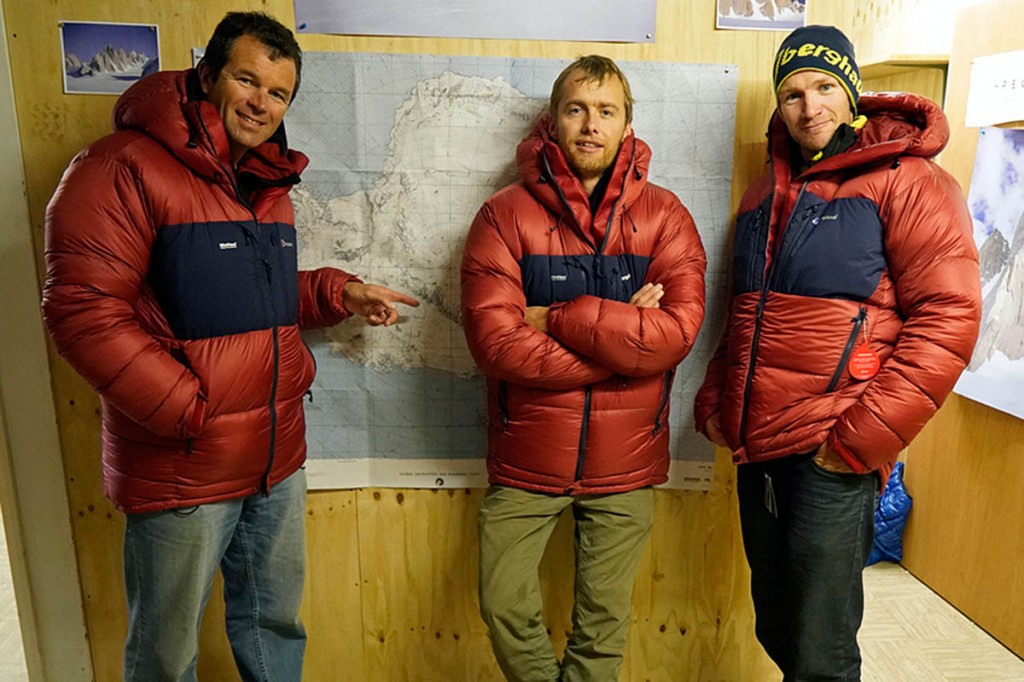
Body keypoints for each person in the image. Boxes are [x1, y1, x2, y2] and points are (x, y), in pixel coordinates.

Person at [42, 11, 418, 681]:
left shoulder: (264, 182)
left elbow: (251, 293)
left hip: (275, 460)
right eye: (246, 79)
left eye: (277, 93)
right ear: (209, 75)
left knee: (274, 631)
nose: (260, 102)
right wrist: (190, 410)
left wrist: (336, 293)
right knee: (165, 654)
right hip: (184, 465)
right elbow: (82, 313)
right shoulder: (119, 167)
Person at [693, 25, 981, 681]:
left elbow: (950, 319)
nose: (808, 105)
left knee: (822, 650)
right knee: (777, 623)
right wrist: (716, 399)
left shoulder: (910, 183)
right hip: (757, 445)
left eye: (824, 86)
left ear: (852, 91)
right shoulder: (765, 192)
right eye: (792, 93)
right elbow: (744, 311)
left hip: (834, 445)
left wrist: (860, 439)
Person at [460, 55, 707, 681]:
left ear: (628, 125)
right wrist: (626, 346)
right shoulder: (503, 216)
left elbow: (675, 334)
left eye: (606, 111)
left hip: (625, 467)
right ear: (553, 120)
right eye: (576, 109)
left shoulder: (667, 217)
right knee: (503, 604)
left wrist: (559, 318)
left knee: (602, 627)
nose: (590, 125)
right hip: (527, 460)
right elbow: (495, 344)